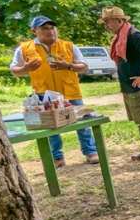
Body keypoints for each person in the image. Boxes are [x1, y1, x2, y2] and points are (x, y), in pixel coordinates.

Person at [10, 16, 99, 167]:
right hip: (43, 94)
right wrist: (25, 69)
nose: (50, 31)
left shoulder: (68, 45)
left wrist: (69, 66)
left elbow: (84, 66)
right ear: (34, 31)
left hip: (70, 91)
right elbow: (14, 70)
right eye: (45, 28)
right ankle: (57, 157)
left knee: (82, 122)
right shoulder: (24, 48)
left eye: (52, 27)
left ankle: (90, 152)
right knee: (50, 126)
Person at [99, 6, 140, 166]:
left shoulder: (134, 35)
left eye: (109, 22)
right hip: (128, 85)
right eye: (105, 22)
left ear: (120, 21)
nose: (106, 25)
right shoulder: (121, 37)